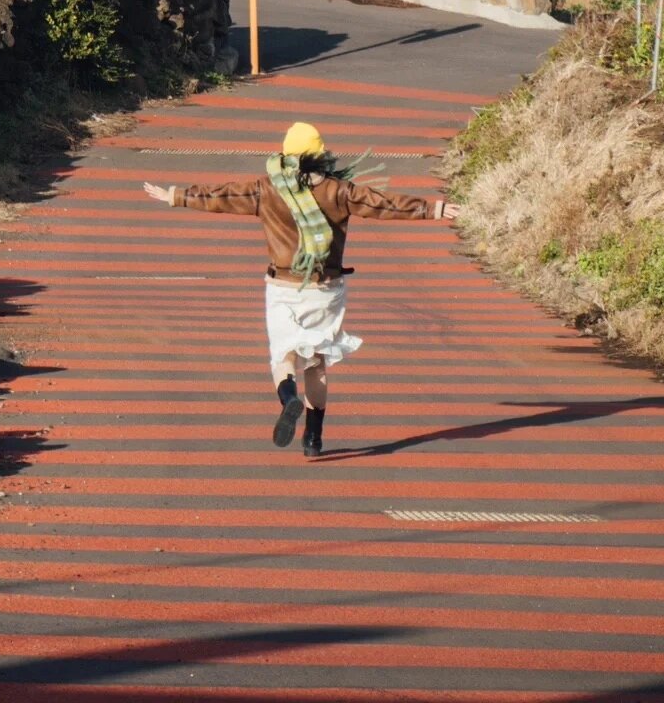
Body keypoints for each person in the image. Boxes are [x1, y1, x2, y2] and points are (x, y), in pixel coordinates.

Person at [144, 120, 456, 457]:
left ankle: (288, 397)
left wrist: (175, 195)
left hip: (283, 286)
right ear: (321, 154)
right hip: (326, 288)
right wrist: (434, 209)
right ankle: (313, 439)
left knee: (284, 356)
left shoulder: (267, 188)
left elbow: (222, 195)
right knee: (317, 363)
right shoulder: (340, 190)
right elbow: (383, 203)